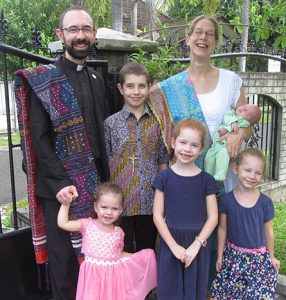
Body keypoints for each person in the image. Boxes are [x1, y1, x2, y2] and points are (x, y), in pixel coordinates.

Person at [14, 6, 109, 300]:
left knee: (94, 259)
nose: (80, 36)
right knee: (65, 263)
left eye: (86, 29)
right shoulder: (46, 80)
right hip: (60, 188)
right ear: (61, 35)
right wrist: (60, 183)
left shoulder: (96, 78)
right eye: (73, 30)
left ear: (94, 34)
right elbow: (38, 140)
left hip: (94, 183)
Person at [148, 14, 252, 191]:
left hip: (222, 175)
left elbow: (248, 125)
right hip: (186, 177)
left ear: (215, 41)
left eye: (209, 34)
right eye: (198, 32)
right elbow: (142, 97)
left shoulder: (231, 81)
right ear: (188, 39)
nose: (203, 37)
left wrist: (239, 135)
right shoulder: (170, 87)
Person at [104, 62, 169, 252]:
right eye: (130, 86)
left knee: (146, 252)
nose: (136, 91)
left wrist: (163, 196)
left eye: (141, 86)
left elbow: (162, 161)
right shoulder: (110, 124)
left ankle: (147, 283)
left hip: (150, 202)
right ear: (120, 89)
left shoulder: (158, 123)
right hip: (120, 202)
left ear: (149, 87)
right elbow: (106, 161)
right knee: (120, 251)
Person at [153, 119, 218, 300]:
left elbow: (213, 217)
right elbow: (158, 216)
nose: (187, 149)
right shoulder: (164, 177)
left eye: (194, 145)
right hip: (170, 242)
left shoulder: (206, 180)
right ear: (173, 142)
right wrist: (173, 246)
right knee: (169, 291)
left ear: (201, 149)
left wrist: (197, 244)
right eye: (183, 142)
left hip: (197, 244)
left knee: (193, 292)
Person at [57, 182, 157, 300]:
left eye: (114, 208)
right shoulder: (87, 225)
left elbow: (118, 254)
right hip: (92, 280)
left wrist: (138, 259)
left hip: (111, 281)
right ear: (96, 207)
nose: (109, 212)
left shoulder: (119, 232)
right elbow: (63, 223)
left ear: (120, 211)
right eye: (104, 207)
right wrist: (65, 204)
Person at [210, 148, 280, 299]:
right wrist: (220, 254)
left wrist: (272, 256)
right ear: (236, 169)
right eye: (247, 170)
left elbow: (269, 232)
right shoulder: (226, 200)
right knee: (230, 294)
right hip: (233, 258)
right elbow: (222, 228)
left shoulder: (265, 203)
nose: (252, 176)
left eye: (258, 173)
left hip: (258, 260)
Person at [205, 104, 261, 181]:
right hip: (215, 145)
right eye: (244, 106)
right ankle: (208, 175)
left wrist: (228, 129)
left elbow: (240, 128)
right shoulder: (230, 113)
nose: (243, 109)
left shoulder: (244, 123)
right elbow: (226, 118)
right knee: (209, 158)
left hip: (225, 146)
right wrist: (233, 122)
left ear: (249, 121)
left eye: (246, 112)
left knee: (223, 157)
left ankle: (220, 175)